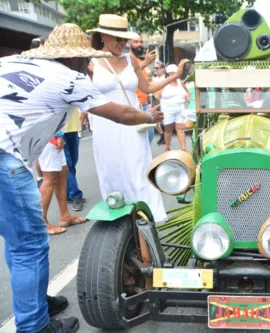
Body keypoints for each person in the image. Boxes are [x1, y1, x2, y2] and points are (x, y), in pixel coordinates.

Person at [0, 23, 164, 333]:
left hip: (7, 152)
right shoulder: (69, 77)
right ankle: (34, 325)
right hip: (4, 156)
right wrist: (149, 117)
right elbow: (121, 114)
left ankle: (34, 301)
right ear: (75, 58)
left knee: (17, 238)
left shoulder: (13, 61)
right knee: (30, 245)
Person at [87, 14, 189, 222]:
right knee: (112, 172)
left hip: (134, 124)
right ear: (104, 36)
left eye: (124, 39)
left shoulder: (130, 59)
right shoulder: (89, 62)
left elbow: (148, 87)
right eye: (118, 39)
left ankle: (144, 226)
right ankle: (119, 228)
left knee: (139, 172)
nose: (122, 43)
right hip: (106, 127)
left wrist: (175, 76)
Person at [39, 129, 87, 236]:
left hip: (51, 134)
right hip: (48, 135)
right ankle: (40, 224)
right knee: (50, 177)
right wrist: (59, 134)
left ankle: (64, 215)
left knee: (62, 171)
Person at [155, 64, 191, 152]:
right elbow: (157, 96)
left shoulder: (180, 83)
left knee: (180, 129)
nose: (172, 74)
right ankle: (167, 148)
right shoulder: (164, 83)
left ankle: (183, 149)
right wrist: (158, 107)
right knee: (168, 130)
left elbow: (188, 93)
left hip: (180, 110)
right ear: (168, 73)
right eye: (170, 73)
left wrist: (187, 101)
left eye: (174, 72)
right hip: (168, 110)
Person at [63, 107, 85, 211]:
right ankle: (76, 195)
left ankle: (68, 193)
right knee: (67, 164)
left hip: (74, 126)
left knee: (73, 160)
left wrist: (84, 110)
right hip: (59, 130)